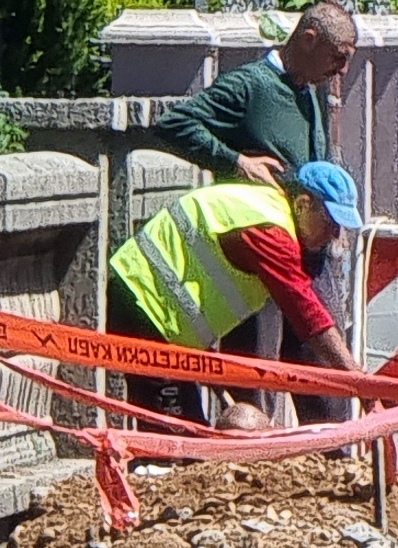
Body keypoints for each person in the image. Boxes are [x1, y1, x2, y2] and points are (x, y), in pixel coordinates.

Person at [105, 161, 368, 429]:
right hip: (144, 306)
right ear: (302, 203)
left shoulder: (266, 209)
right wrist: (357, 379)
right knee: (171, 445)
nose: (335, 234)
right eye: (330, 222)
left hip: (156, 314)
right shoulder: (271, 231)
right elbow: (307, 315)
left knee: (185, 439)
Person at [157, 3, 356, 187]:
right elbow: (174, 123)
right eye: (338, 57)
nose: (343, 70)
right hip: (253, 221)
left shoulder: (305, 92)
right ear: (308, 40)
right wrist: (237, 163)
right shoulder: (247, 85)